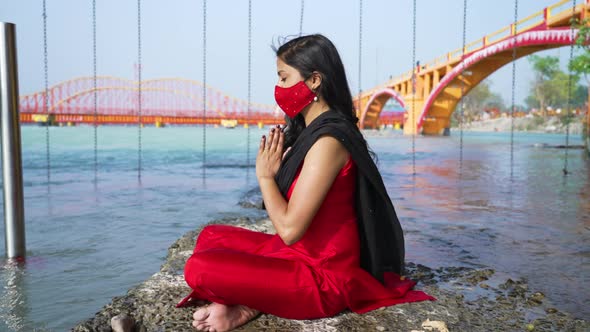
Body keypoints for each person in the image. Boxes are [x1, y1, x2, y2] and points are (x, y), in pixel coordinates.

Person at [177, 34, 435, 331]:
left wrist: (265, 177)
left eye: (284, 78)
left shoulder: (327, 142)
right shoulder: (311, 131)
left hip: (323, 278)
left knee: (199, 268)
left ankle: (247, 304)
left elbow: (289, 229)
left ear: (314, 80)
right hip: (297, 254)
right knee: (211, 237)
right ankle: (245, 300)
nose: (279, 89)